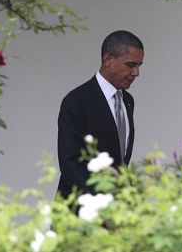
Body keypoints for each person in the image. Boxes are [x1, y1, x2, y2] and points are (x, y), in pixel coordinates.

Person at [57, 30, 144, 199]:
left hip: (117, 209)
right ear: (108, 60)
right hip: (81, 211)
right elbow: (70, 163)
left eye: (139, 66)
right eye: (130, 65)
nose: (136, 73)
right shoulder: (77, 101)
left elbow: (119, 161)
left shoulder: (127, 101)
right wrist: (103, 208)